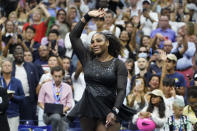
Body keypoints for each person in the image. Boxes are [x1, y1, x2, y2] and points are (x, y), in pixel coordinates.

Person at [67, 9, 135, 131]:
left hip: (109, 108)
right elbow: (73, 36)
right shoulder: (87, 59)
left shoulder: (118, 64)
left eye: (99, 41)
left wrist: (114, 111)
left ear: (107, 43)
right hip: (88, 108)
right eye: (92, 42)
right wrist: (87, 16)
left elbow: (121, 90)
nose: (94, 44)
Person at [38, 66, 73, 131]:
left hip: (63, 114)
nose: (57, 78)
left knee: (60, 118)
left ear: (63, 76)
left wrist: (61, 111)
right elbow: (40, 102)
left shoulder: (68, 87)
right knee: (57, 117)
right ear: (52, 75)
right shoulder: (45, 86)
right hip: (48, 115)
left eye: (59, 76)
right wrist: (46, 109)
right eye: (55, 76)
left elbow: (69, 104)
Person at [1, 59, 25, 131]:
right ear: (1, 68)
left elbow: (22, 97)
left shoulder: (17, 81)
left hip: (13, 114)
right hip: (1, 114)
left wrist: (13, 97)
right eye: (5, 65)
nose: (7, 67)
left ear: (12, 68)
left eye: (9, 65)